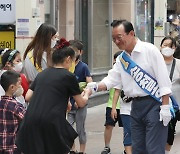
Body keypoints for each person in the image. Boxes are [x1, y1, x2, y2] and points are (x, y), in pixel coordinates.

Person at [87, 20, 172, 154]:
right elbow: (111, 80)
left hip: (155, 105)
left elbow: (163, 80)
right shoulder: (122, 59)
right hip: (135, 107)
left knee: (154, 149)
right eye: (113, 39)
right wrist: (94, 87)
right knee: (137, 148)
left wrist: (165, 107)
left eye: (119, 37)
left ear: (131, 33)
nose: (116, 41)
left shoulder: (150, 50)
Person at [16, 38, 91, 154]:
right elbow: (80, 103)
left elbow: (28, 97)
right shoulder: (68, 76)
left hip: (30, 120)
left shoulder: (42, 74)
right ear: (68, 59)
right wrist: (87, 93)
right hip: (51, 122)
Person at [67, 40, 93, 154]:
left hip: (80, 105)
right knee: (68, 128)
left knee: (80, 129)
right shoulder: (67, 66)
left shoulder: (84, 67)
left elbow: (90, 84)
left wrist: (82, 96)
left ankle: (82, 151)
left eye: (75, 51)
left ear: (80, 52)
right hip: (69, 104)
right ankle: (73, 150)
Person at [160, 36, 180, 154]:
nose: (167, 48)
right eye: (164, 45)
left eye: (170, 46)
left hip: (174, 106)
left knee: (169, 133)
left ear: (174, 48)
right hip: (157, 103)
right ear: (160, 46)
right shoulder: (156, 63)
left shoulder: (178, 64)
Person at [101, 51, 123, 154]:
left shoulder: (127, 72)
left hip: (124, 105)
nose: (115, 61)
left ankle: (127, 147)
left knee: (127, 127)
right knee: (109, 126)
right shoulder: (112, 73)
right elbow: (106, 84)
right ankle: (107, 146)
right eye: (115, 59)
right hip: (111, 104)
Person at [0, 70, 26, 154]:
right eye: (19, 84)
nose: (21, 86)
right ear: (12, 87)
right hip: (13, 148)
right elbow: (29, 120)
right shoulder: (16, 106)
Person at [111, 89, 132, 154]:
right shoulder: (122, 78)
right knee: (128, 132)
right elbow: (117, 91)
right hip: (126, 110)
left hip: (140, 110)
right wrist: (113, 108)